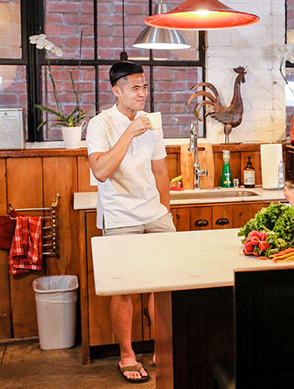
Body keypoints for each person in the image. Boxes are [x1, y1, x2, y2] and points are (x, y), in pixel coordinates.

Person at [86, 60, 175, 384]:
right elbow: (101, 171)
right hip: (120, 214)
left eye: (145, 86)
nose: (142, 93)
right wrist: (129, 132)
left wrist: (164, 210)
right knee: (124, 289)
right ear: (117, 91)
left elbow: (161, 170)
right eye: (135, 87)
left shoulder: (151, 123)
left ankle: (162, 350)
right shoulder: (100, 124)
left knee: (165, 285)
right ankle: (126, 354)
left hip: (154, 213)